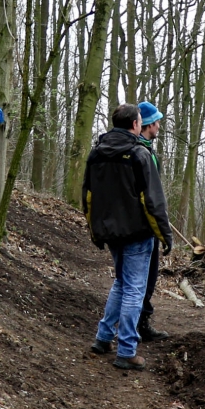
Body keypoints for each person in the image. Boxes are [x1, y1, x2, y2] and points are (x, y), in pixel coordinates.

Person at [82, 103, 172, 371]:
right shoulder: (139, 154)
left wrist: (95, 230)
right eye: (141, 121)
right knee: (134, 288)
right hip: (136, 233)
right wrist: (165, 234)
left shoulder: (96, 152)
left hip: (110, 232)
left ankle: (103, 338)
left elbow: (88, 196)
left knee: (121, 283)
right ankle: (126, 351)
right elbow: (153, 201)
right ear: (135, 124)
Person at [136, 100, 169, 342]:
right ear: (149, 125)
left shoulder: (137, 148)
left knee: (129, 279)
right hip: (145, 224)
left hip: (130, 223)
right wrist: (163, 231)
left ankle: (127, 325)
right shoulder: (143, 152)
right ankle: (140, 325)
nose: (159, 126)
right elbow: (152, 196)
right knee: (146, 276)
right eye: (157, 122)